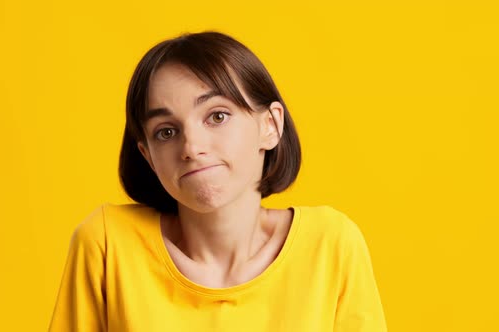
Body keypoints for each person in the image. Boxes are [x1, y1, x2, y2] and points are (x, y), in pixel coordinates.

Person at [48, 31, 387, 331]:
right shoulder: (107, 244)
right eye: (166, 132)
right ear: (147, 155)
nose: (192, 148)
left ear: (270, 125)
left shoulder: (332, 245)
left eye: (217, 116)